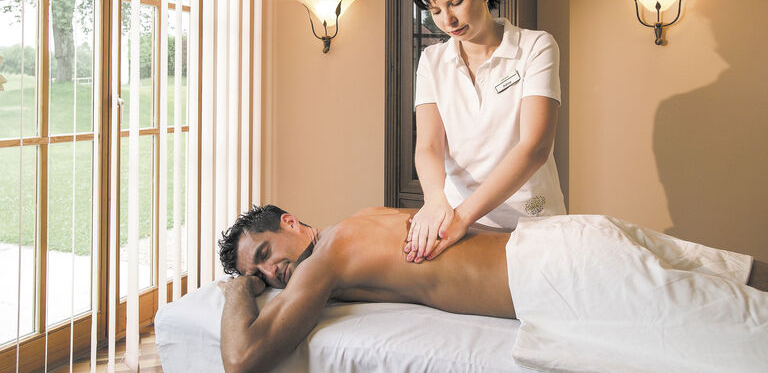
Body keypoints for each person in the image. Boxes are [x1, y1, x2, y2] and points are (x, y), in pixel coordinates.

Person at [217, 204, 768, 373]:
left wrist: (238, 292)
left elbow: (244, 360)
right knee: (732, 276)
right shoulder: (363, 219)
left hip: (556, 272)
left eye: (264, 256)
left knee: (736, 333)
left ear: (291, 223)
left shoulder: (324, 259)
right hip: (569, 237)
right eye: (259, 275)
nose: (272, 274)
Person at [406, 0, 565, 263]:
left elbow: (535, 147)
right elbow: (429, 145)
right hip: (458, 224)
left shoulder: (535, 46)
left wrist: (463, 217)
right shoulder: (432, 61)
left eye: (455, 3)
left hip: (530, 220)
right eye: (435, 10)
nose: (447, 20)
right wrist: (435, 202)